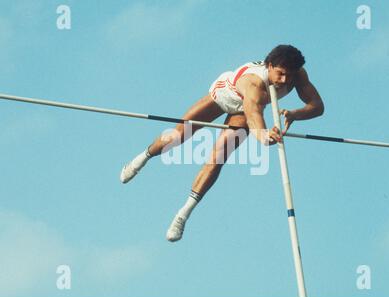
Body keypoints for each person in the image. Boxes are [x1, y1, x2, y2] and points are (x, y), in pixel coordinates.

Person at [120, 44, 324, 242]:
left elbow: (317, 106)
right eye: (280, 73)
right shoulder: (254, 83)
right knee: (177, 136)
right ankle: (142, 158)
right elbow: (254, 115)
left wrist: (295, 114)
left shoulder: (297, 75)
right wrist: (263, 136)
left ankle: (183, 214)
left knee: (218, 156)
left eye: (289, 75)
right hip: (225, 95)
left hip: (243, 112)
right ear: (269, 66)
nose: (284, 80)